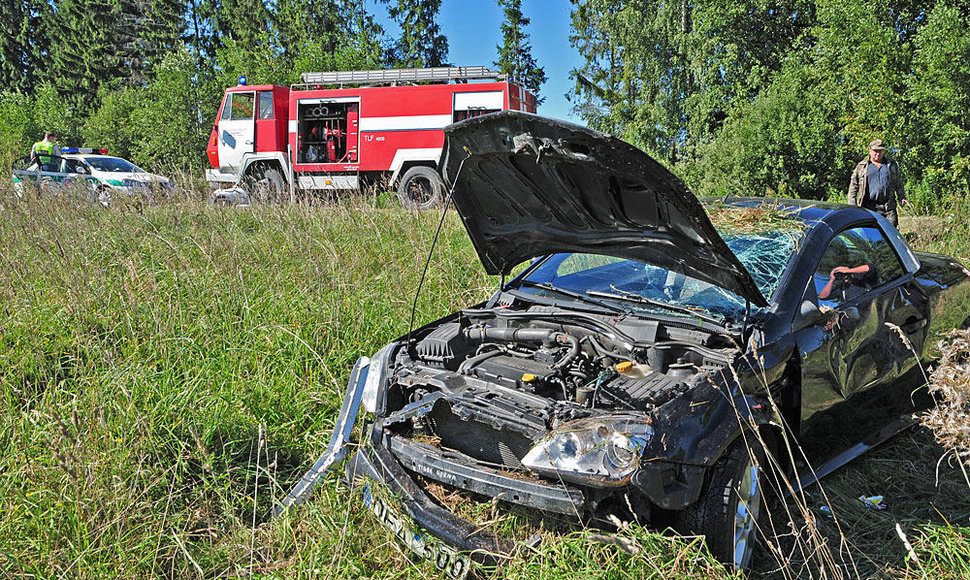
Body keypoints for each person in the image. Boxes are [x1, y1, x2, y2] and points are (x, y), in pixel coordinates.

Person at [847, 139, 907, 226]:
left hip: (888, 208)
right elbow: (853, 187)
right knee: (870, 234)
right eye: (875, 151)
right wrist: (852, 206)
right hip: (869, 208)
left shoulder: (891, 165)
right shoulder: (861, 167)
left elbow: (899, 183)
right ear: (870, 151)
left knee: (891, 234)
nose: (878, 154)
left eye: (880, 151)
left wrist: (902, 197)